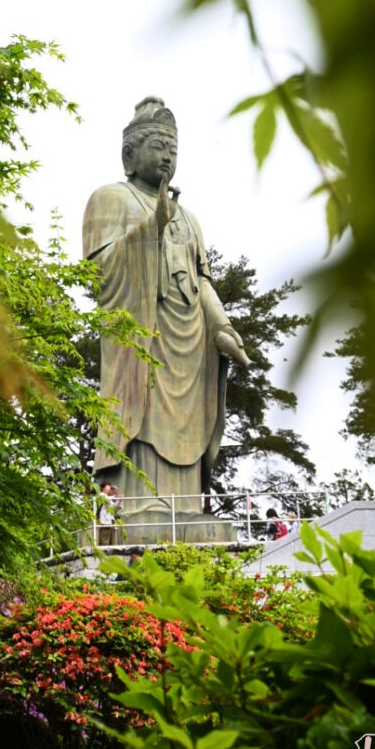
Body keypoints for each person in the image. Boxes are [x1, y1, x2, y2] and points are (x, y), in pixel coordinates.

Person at [83, 97, 249, 518]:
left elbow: (202, 281)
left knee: (188, 428)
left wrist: (221, 325)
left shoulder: (189, 218)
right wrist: (151, 229)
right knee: (144, 420)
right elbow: (100, 272)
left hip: (189, 345)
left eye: (172, 148)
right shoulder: (109, 199)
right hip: (142, 343)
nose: (167, 156)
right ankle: (137, 505)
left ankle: (189, 511)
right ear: (128, 154)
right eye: (157, 145)